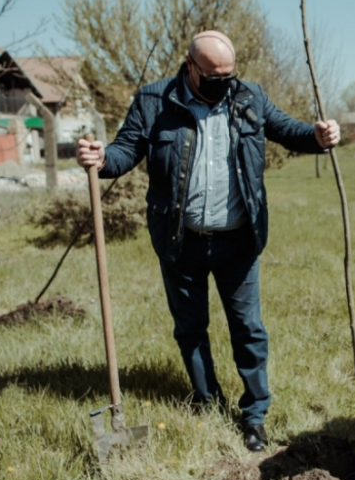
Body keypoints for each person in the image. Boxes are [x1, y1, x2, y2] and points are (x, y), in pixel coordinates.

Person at [76, 30, 340, 453]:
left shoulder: (249, 97)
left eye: (229, 74)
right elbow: (127, 150)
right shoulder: (154, 101)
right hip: (180, 240)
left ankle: (254, 414)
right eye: (213, 75)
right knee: (191, 329)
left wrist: (318, 137)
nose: (224, 83)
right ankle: (209, 402)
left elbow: (287, 130)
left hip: (239, 239)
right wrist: (102, 158)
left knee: (248, 328)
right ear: (190, 65)